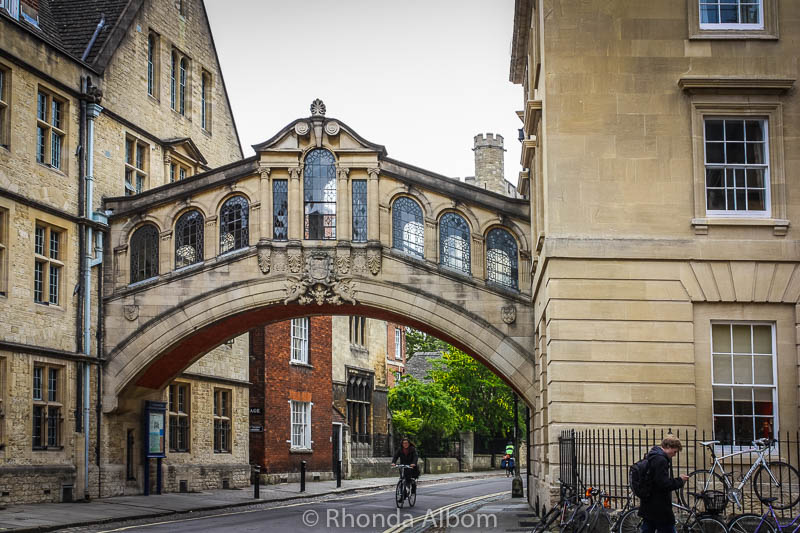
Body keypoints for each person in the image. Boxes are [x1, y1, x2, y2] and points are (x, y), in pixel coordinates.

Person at [638, 434, 690, 533]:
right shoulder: (660, 460)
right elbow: (664, 484)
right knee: (668, 529)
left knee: (648, 529)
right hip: (659, 507)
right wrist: (680, 480)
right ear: (668, 447)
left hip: (649, 505)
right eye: (674, 451)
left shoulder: (653, 455)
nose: (674, 454)